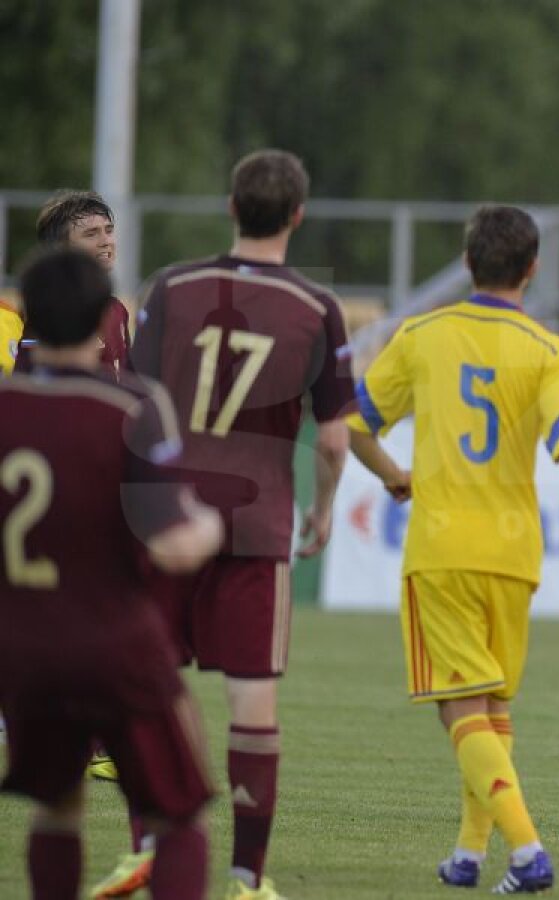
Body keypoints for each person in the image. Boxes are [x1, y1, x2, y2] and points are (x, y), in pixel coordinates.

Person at [346, 204, 559, 893]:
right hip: (514, 556)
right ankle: (468, 856)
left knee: (460, 710)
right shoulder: (549, 352)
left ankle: (528, 849)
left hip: (443, 549)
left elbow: (353, 423)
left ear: (467, 259)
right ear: (532, 269)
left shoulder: (422, 335)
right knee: (491, 709)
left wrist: (393, 475)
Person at [105, 149, 355, 900]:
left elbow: (134, 403)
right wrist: (322, 507)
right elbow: (336, 439)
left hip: (164, 520)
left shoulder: (171, 288)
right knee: (253, 704)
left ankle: (143, 847)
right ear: (298, 216)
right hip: (254, 526)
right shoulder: (315, 307)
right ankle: (247, 878)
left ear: (230, 207)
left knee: (149, 691)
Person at [0, 247, 224, 900]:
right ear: (105, 318)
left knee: (58, 807)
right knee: (179, 816)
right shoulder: (131, 407)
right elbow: (175, 546)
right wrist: (211, 524)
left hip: (25, 653)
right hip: (116, 647)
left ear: (27, 318)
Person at [16, 190, 132, 381]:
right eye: (91, 234)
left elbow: (128, 378)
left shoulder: (117, 308)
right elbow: (26, 389)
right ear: (61, 249)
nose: (106, 242)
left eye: (109, 230)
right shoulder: (47, 309)